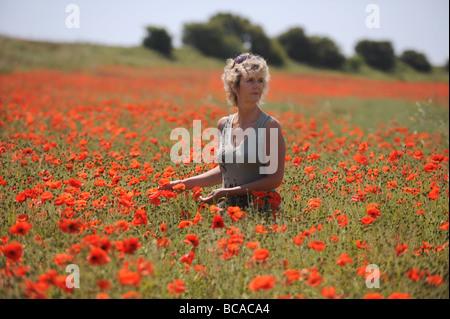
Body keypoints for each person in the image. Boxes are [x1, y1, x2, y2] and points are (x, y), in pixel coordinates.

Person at [161, 53, 285, 216]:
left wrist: (227, 192)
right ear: (235, 86)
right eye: (250, 80)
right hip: (228, 212)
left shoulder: (270, 126)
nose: (257, 86)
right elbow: (225, 171)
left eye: (260, 80)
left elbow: (274, 180)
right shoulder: (224, 124)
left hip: (262, 213)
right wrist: (183, 184)